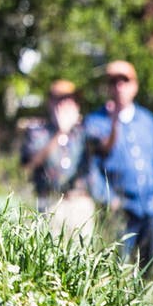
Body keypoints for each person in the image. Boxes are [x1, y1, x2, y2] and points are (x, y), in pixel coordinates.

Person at [85, 60, 153, 271]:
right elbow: (90, 169)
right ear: (107, 88)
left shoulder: (148, 121)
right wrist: (109, 200)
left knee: (149, 271)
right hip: (120, 210)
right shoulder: (95, 123)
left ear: (134, 86)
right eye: (114, 82)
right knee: (117, 269)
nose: (119, 87)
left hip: (150, 208)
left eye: (124, 81)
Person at [20, 79, 95, 239]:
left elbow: (106, 147)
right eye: (61, 100)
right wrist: (61, 132)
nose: (66, 105)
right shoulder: (38, 132)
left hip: (79, 203)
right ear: (51, 103)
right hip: (51, 203)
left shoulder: (84, 131)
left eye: (70, 100)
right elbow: (30, 164)